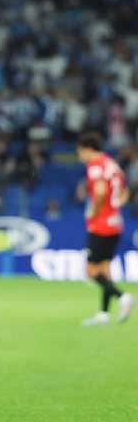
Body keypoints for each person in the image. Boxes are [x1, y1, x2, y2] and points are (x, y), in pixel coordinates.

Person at [76, 131, 133, 325]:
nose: (80, 156)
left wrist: (94, 211)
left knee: (90, 271)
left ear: (88, 149)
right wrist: (115, 206)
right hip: (115, 223)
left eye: (80, 152)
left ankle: (123, 296)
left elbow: (99, 192)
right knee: (104, 270)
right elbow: (125, 192)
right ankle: (104, 314)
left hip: (101, 224)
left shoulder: (96, 166)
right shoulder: (113, 164)